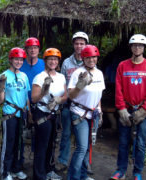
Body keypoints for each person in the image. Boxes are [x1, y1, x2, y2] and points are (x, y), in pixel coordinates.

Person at [110, 34, 146, 180]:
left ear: (144, 48)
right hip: (126, 109)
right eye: (135, 45)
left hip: (142, 110)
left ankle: (137, 172)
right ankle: (121, 171)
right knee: (123, 141)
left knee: (140, 144)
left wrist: (144, 110)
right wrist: (121, 108)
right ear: (130, 47)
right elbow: (118, 89)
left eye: (140, 45)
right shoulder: (122, 66)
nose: (137, 48)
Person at [67, 45, 105, 180]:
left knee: (88, 146)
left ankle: (83, 175)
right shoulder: (78, 73)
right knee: (82, 147)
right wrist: (80, 85)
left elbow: (98, 94)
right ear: (83, 58)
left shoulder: (99, 73)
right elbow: (70, 95)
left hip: (93, 113)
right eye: (88, 57)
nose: (91, 60)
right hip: (79, 112)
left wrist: (99, 111)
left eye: (93, 57)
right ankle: (73, 177)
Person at [31, 48, 67, 180]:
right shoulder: (39, 77)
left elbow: (65, 96)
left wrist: (58, 100)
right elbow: (34, 98)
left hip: (55, 113)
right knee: (42, 146)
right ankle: (39, 175)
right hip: (42, 113)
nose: (53, 62)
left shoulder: (61, 77)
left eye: (55, 59)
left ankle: (49, 170)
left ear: (58, 62)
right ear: (45, 60)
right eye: (50, 59)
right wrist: (43, 92)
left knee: (52, 144)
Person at [57, 31, 89, 172]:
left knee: (83, 137)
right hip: (68, 103)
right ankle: (63, 161)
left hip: (84, 105)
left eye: (82, 43)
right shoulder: (66, 62)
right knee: (66, 134)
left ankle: (84, 164)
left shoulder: (89, 61)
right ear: (73, 45)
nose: (79, 46)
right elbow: (62, 82)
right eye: (77, 43)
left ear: (86, 45)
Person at [0, 47, 30, 180]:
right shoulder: (4, 76)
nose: (19, 62)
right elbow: (0, 101)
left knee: (20, 143)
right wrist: (0, 89)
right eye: (16, 59)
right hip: (9, 114)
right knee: (8, 143)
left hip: (22, 114)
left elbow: (26, 96)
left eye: (21, 60)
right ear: (11, 60)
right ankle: (5, 172)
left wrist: (29, 112)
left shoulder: (24, 76)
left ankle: (16, 169)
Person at [19, 37, 45, 165]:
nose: (33, 50)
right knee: (21, 134)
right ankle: (19, 161)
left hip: (40, 103)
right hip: (22, 103)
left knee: (39, 133)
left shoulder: (43, 64)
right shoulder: (20, 63)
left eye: (35, 48)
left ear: (38, 50)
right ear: (26, 50)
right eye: (30, 48)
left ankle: (37, 161)